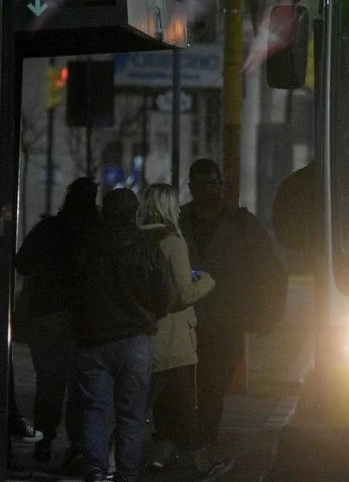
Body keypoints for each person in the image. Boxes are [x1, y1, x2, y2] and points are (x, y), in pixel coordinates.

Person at [179, 159, 285, 448]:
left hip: (227, 322)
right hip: (184, 323)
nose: (207, 190)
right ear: (190, 187)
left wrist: (269, 314)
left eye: (213, 183)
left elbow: (270, 270)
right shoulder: (178, 222)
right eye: (201, 184)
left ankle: (204, 440)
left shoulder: (241, 224)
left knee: (213, 386)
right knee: (187, 387)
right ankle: (194, 439)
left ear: (221, 186)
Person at [73, 187, 177, 482]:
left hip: (93, 341)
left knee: (95, 408)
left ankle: (95, 467)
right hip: (135, 341)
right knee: (131, 415)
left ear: (105, 212)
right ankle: (126, 473)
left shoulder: (88, 250)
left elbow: (74, 294)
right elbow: (166, 298)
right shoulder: (148, 250)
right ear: (134, 213)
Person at [138, 183, 233, 479]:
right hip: (174, 338)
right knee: (183, 406)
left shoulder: (141, 239)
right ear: (167, 207)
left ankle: (156, 459)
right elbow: (183, 295)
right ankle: (202, 465)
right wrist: (207, 280)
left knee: (155, 406)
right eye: (175, 204)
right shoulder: (174, 243)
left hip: (148, 335)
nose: (180, 209)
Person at [13, 176, 100, 468]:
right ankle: (76, 444)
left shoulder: (48, 229)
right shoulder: (98, 232)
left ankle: (44, 442)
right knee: (79, 386)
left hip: (47, 318)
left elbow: (22, 262)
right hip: (84, 320)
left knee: (49, 384)